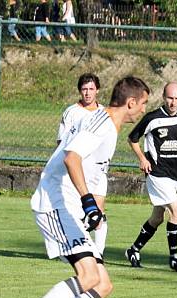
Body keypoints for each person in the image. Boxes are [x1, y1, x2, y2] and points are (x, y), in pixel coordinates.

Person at [4, 77, 150, 298]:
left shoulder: (109, 126)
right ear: (131, 103)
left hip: (69, 206)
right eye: (143, 104)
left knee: (103, 284)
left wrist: (94, 209)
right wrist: (87, 202)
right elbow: (72, 158)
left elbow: (90, 171)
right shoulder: (102, 123)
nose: (143, 110)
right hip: (55, 203)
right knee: (88, 275)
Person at [124, 82, 177, 272]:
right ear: (163, 97)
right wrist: (143, 159)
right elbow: (132, 138)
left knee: (157, 217)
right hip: (156, 173)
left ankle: (133, 250)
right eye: (169, 98)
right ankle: (174, 257)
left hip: (173, 175)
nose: (173, 102)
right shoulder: (153, 118)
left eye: (176, 99)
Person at [57, 73, 109, 255]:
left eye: (91, 89)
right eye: (84, 89)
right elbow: (62, 143)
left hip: (98, 170)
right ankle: (72, 247)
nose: (87, 93)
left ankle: (98, 253)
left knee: (98, 211)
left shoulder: (105, 113)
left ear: (97, 90)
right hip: (79, 169)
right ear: (80, 91)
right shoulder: (71, 112)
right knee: (80, 213)